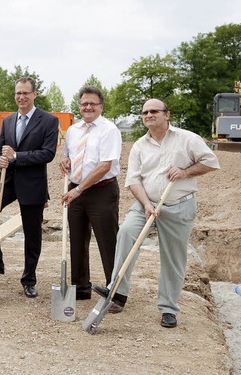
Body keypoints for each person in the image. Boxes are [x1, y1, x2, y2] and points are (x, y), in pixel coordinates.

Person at [93, 98, 220, 328]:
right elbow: (133, 180)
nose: (148, 115)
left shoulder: (187, 139)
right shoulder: (139, 146)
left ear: (167, 115)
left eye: (154, 111)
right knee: (126, 233)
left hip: (179, 204)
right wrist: (146, 204)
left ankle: (168, 308)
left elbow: (211, 162)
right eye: (145, 112)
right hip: (146, 203)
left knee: (173, 258)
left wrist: (185, 172)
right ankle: (116, 293)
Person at [0, 77, 59, 298]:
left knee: (32, 233)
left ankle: (29, 278)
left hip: (32, 183)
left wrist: (17, 156)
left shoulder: (49, 121)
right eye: (17, 93)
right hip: (7, 179)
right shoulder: (8, 120)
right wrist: (0, 160)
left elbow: (48, 153)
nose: (21, 97)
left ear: (34, 94)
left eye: (25, 93)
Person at [59, 86, 122, 303]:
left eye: (92, 104)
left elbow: (105, 166)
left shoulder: (109, 130)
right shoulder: (74, 131)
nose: (88, 107)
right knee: (76, 241)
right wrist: (66, 162)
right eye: (84, 103)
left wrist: (78, 189)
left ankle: (115, 291)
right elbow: (69, 157)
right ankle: (80, 288)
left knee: (108, 242)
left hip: (102, 192)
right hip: (76, 191)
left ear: (101, 107)